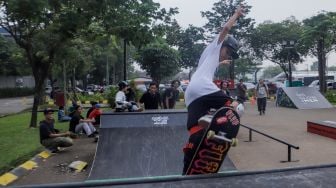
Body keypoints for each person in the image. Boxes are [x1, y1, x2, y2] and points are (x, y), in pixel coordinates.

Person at [182, 6, 244, 175]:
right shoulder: (216, 45)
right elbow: (225, 29)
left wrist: (220, 63)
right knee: (237, 106)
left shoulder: (208, 58)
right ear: (222, 45)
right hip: (201, 86)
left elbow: (210, 64)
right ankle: (214, 122)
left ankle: (203, 124)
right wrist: (236, 15)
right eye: (228, 52)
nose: (227, 56)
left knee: (195, 124)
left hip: (191, 95)